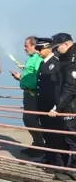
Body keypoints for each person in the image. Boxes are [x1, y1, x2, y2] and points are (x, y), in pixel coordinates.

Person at [35, 38, 68, 171]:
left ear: (48, 48)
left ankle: (57, 163)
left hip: (52, 106)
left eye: (40, 49)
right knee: (46, 134)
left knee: (55, 135)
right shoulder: (44, 63)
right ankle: (49, 158)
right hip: (43, 104)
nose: (38, 51)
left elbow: (57, 88)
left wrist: (56, 106)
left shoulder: (55, 63)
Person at [11, 37, 44, 155]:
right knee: (30, 119)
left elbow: (39, 76)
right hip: (28, 92)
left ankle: (40, 145)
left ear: (34, 46)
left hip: (33, 93)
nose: (24, 48)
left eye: (26, 45)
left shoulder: (37, 58)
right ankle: (38, 143)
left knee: (30, 119)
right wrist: (21, 77)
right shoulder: (31, 58)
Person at [51, 33, 76, 181]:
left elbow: (71, 88)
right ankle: (70, 168)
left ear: (66, 44)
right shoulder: (68, 58)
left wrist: (57, 108)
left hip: (71, 108)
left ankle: (73, 170)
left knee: (72, 139)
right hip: (70, 106)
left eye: (57, 47)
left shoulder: (72, 62)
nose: (56, 51)